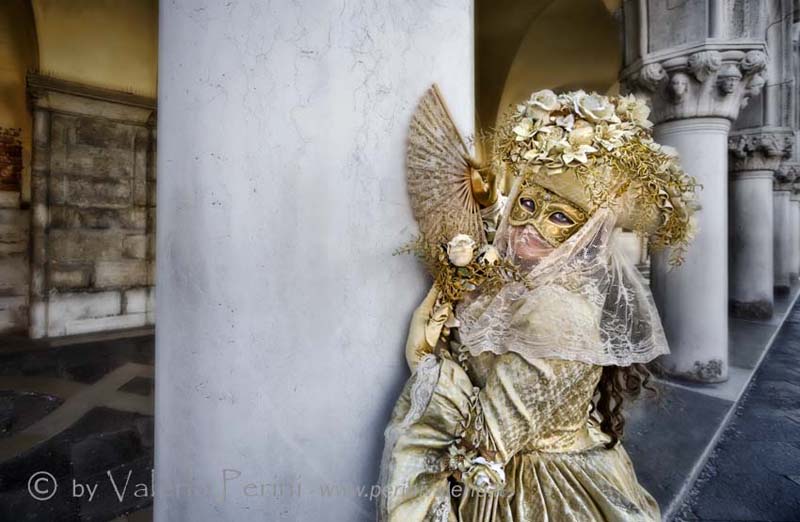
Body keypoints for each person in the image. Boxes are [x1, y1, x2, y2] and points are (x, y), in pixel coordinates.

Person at [378, 88, 697, 522]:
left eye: (561, 217)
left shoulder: (557, 312)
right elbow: (518, 242)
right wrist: (490, 206)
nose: (530, 224)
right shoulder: (545, 276)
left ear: (590, 235)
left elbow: (484, 447)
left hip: (530, 491)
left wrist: (426, 365)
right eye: (527, 204)